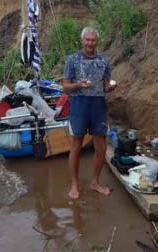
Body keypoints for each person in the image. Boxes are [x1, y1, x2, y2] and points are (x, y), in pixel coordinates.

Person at [62, 26, 117, 200]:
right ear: (82, 41)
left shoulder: (104, 61)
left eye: (93, 40)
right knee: (76, 146)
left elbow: (105, 85)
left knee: (100, 147)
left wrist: (110, 87)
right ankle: (74, 184)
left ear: (97, 42)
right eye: (87, 40)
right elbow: (65, 86)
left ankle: (95, 182)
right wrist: (78, 85)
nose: (90, 43)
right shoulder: (73, 60)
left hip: (98, 105)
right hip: (79, 105)